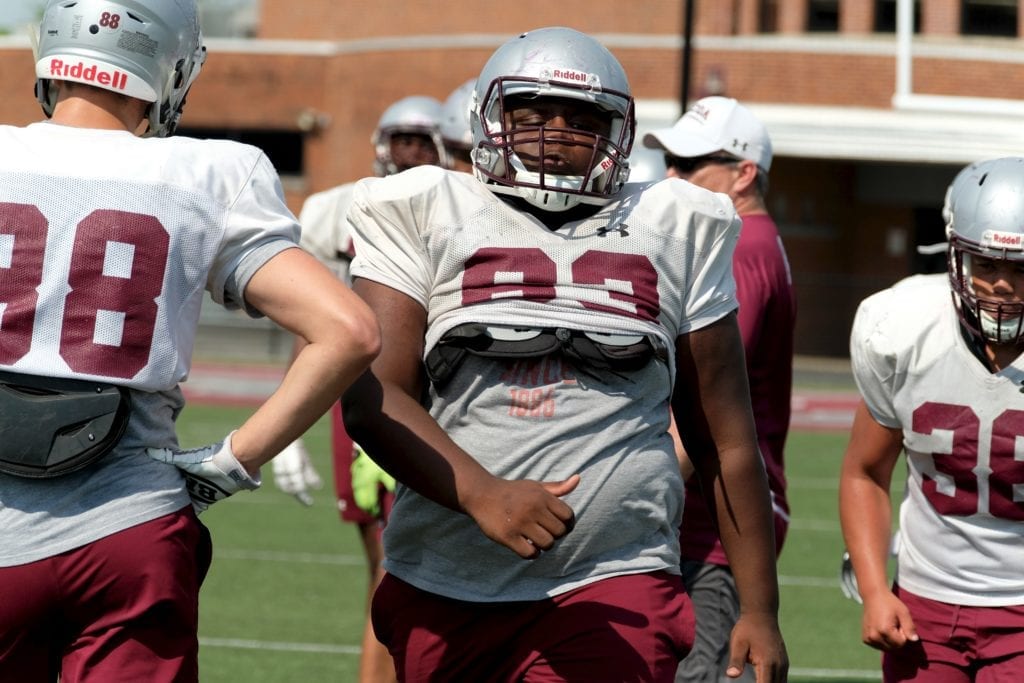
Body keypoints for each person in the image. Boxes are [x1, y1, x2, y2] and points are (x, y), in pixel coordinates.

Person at [341, 27, 788, 683]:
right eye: (534, 115)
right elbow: (373, 396)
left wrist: (761, 606)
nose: (556, 132)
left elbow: (725, 437)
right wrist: (482, 493)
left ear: (616, 133)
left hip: (613, 577)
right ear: (494, 122)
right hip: (446, 573)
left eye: (581, 119)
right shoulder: (425, 208)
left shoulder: (675, 223)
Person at [0, 1, 380, 680]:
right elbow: (348, 330)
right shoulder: (207, 174)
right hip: (128, 526)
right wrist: (236, 459)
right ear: (167, 66)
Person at [272, 93, 447, 683]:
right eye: (404, 140)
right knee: (385, 568)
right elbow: (319, 320)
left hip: (431, 397)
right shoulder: (341, 208)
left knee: (402, 572)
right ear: (382, 144)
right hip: (364, 399)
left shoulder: (455, 204)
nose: (413, 153)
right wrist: (290, 427)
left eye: (423, 142)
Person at [839, 156, 1024, 682]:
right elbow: (865, 472)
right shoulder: (903, 328)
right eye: (986, 265)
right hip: (926, 604)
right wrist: (876, 591)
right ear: (956, 257)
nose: (1004, 286)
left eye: (1021, 269)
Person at [642, 96, 796, 683]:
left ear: (744, 172)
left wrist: (624, 494)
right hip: (714, 515)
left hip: (716, 526)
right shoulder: (754, 241)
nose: (672, 176)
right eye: (670, 162)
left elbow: (707, 398)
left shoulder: (743, 248)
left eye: (691, 162)